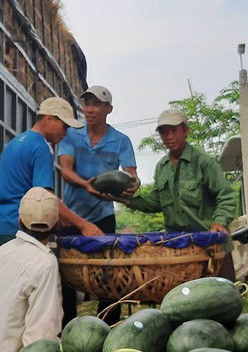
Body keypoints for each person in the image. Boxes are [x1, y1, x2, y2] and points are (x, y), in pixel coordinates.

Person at [117, 108, 236, 280]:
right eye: (164, 132)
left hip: (212, 246)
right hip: (180, 248)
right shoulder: (162, 167)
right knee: (184, 300)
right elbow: (156, 201)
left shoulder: (204, 162)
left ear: (186, 131)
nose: (169, 137)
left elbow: (225, 195)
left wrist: (219, 221)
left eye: (174, 131)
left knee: (223, 298)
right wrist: (127, 200)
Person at [58, 85, 138, 325]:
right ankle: (67, 326)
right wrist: (86, 185)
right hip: (71, 216)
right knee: (67, 276)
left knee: (108, 272)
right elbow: (65, 170)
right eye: (86, 104)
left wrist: (133, 184)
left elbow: (131, 174)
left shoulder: (120, 141)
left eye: (95, 104)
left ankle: (108, 323)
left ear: (108, 109)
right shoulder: (72, 135)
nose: (89, 109)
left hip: (103, 216)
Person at [0, 97, 103, 245]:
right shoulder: (41, 147)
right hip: (19, 230)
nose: (66, 133)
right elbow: (45, 197)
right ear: (49, 118)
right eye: (64, 126)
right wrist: (83, 224)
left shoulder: (14, 143)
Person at [0, 188, 63, 352]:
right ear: (56, 225)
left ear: (19, 222)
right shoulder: (46, 263)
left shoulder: (3, 250)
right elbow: (41, 336)